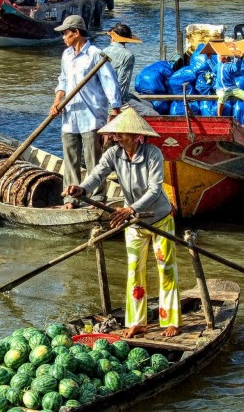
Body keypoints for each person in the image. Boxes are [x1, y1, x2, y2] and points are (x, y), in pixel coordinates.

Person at [64, 107, 181, 339]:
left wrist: (131, 209)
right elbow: (97, 174)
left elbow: (155, 189)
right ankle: (137, 322)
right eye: (116, 133)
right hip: (134, 223)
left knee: (166, 269)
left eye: (122, 133)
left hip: (159, 218)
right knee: (134, 271)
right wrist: (82, 189)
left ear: (137, 136)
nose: (117, 137)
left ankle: (171, 321)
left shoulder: (153, 154)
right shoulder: (113, 154)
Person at [51, 14, 122, 209]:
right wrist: (57, 101)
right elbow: (63, 80)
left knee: (94, 160)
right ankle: (70, 199)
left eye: (66, 33)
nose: (63, 37)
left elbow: (110, 83)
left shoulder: (95, 55)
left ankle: (97, 198)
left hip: (91, 116)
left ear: (76, 33)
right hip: (70, 115)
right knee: (70, 159)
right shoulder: (66, 55)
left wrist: (115, 111)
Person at [102, 24, 158, 117]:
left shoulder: (103, 51)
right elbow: (122, 85)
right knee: (154, 114)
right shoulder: (128, 55)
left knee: (148, 105)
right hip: (116, 101)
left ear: (112, 38)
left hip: (104, 97)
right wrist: (117, 106)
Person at [214, 47, 244, 125]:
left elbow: (236, 69)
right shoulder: (218, 65)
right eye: (219, 56)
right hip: (221, 89)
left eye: (220, 56)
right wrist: (209, 59)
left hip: (233, 89)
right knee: (222, 97)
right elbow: (213, 69)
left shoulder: (230, 65)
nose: (219, 57)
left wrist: (240, 58)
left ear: (226, 57)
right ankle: (219, 117)